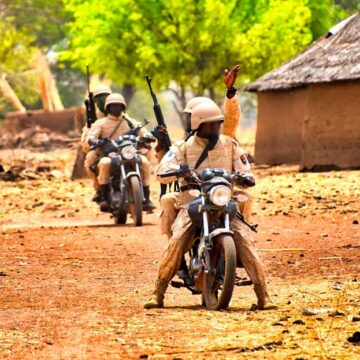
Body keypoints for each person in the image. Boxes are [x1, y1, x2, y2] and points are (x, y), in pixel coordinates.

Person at [144, 101, 277, 310]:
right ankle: (158, 293)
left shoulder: (229, 144)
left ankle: (264, 295)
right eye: (210, 124)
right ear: (198, 125)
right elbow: (162, 170)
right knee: (177, 241)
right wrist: (179, 171)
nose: (215, 128)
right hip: (193, 203)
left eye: (217, 124)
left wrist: (245, 177)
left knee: (244, 241)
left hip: (224, 201)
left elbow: (245, 169)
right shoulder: (183, 147)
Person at [84, 93, 156, 211]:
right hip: (110, 155)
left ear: (123, 107)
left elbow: (142, 131)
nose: (116, 108)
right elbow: (92, 135)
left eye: (119, 106)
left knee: (144, 162)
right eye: (113, 106)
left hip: (129, 152)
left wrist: (148, 136)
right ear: (108, 108)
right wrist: (93, 140)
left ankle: (146, 196)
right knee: (105, 163)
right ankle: (104, 196)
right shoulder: (101, 123)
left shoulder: (129, 121)